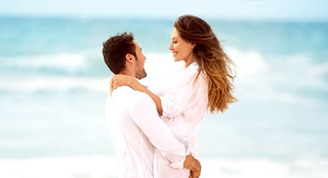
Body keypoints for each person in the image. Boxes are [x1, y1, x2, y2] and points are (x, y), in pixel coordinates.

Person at [110, 15, 237, 178]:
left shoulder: (195, 74)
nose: (170, 47)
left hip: (175, 157)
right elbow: (159, 97)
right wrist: (130, 83)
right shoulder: (187, 73)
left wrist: (133, 83)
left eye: (175, 41)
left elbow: (167, 107)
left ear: (192, 43)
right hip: (173, 156)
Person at [101, 32, 201, 178]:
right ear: (130, 58)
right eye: (140, 51)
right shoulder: (137, 99)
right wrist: (193, 164)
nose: (144, 57)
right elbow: (165, 142)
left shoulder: (112, 99)